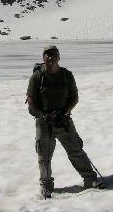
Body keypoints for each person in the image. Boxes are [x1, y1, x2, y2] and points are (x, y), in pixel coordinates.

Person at [26, 45, 106, 198]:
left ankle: (90, 179)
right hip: (44, 123)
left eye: (54, 54)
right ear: (43, 58)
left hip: (64, 121)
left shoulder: (66, 75)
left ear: (59, 57)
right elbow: (31, 102)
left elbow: (74, 97)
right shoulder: (37, 77)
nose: (51, 57)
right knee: (44, 155)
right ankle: (46, 185)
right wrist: (44, 116)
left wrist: (64, 113)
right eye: (47, 55)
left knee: (76, 150)